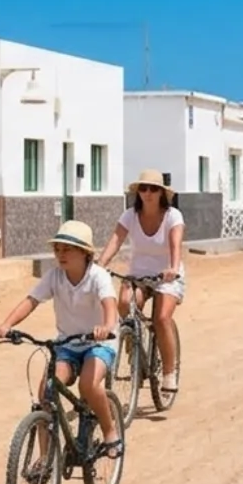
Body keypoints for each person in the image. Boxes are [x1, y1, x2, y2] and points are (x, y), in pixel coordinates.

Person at [0, 221, 122, 460]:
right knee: (47, 392)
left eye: (68, 249)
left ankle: (110, 430)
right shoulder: (54, 277)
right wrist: (7, 324)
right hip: (68, 345)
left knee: (88, 385)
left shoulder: (98, 276)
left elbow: (110, 306)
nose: (61, 254)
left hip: (99, 343)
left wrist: (106, 327)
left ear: (85, 253)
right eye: (58, 249)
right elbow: (31, 301)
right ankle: (44, 459)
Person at [99, 169, 186, 394]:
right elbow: (116, 240)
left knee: (161, 317)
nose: (148, 193)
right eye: (144, 189)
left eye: (153, 189)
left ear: (161, 193)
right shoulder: (130, 215)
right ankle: (135, 355)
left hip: (166, 275)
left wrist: (174, 268)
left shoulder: (173, 216)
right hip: (138, 275)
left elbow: (176, 245)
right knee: (125, 304)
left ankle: (168, 372)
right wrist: (100, 264)